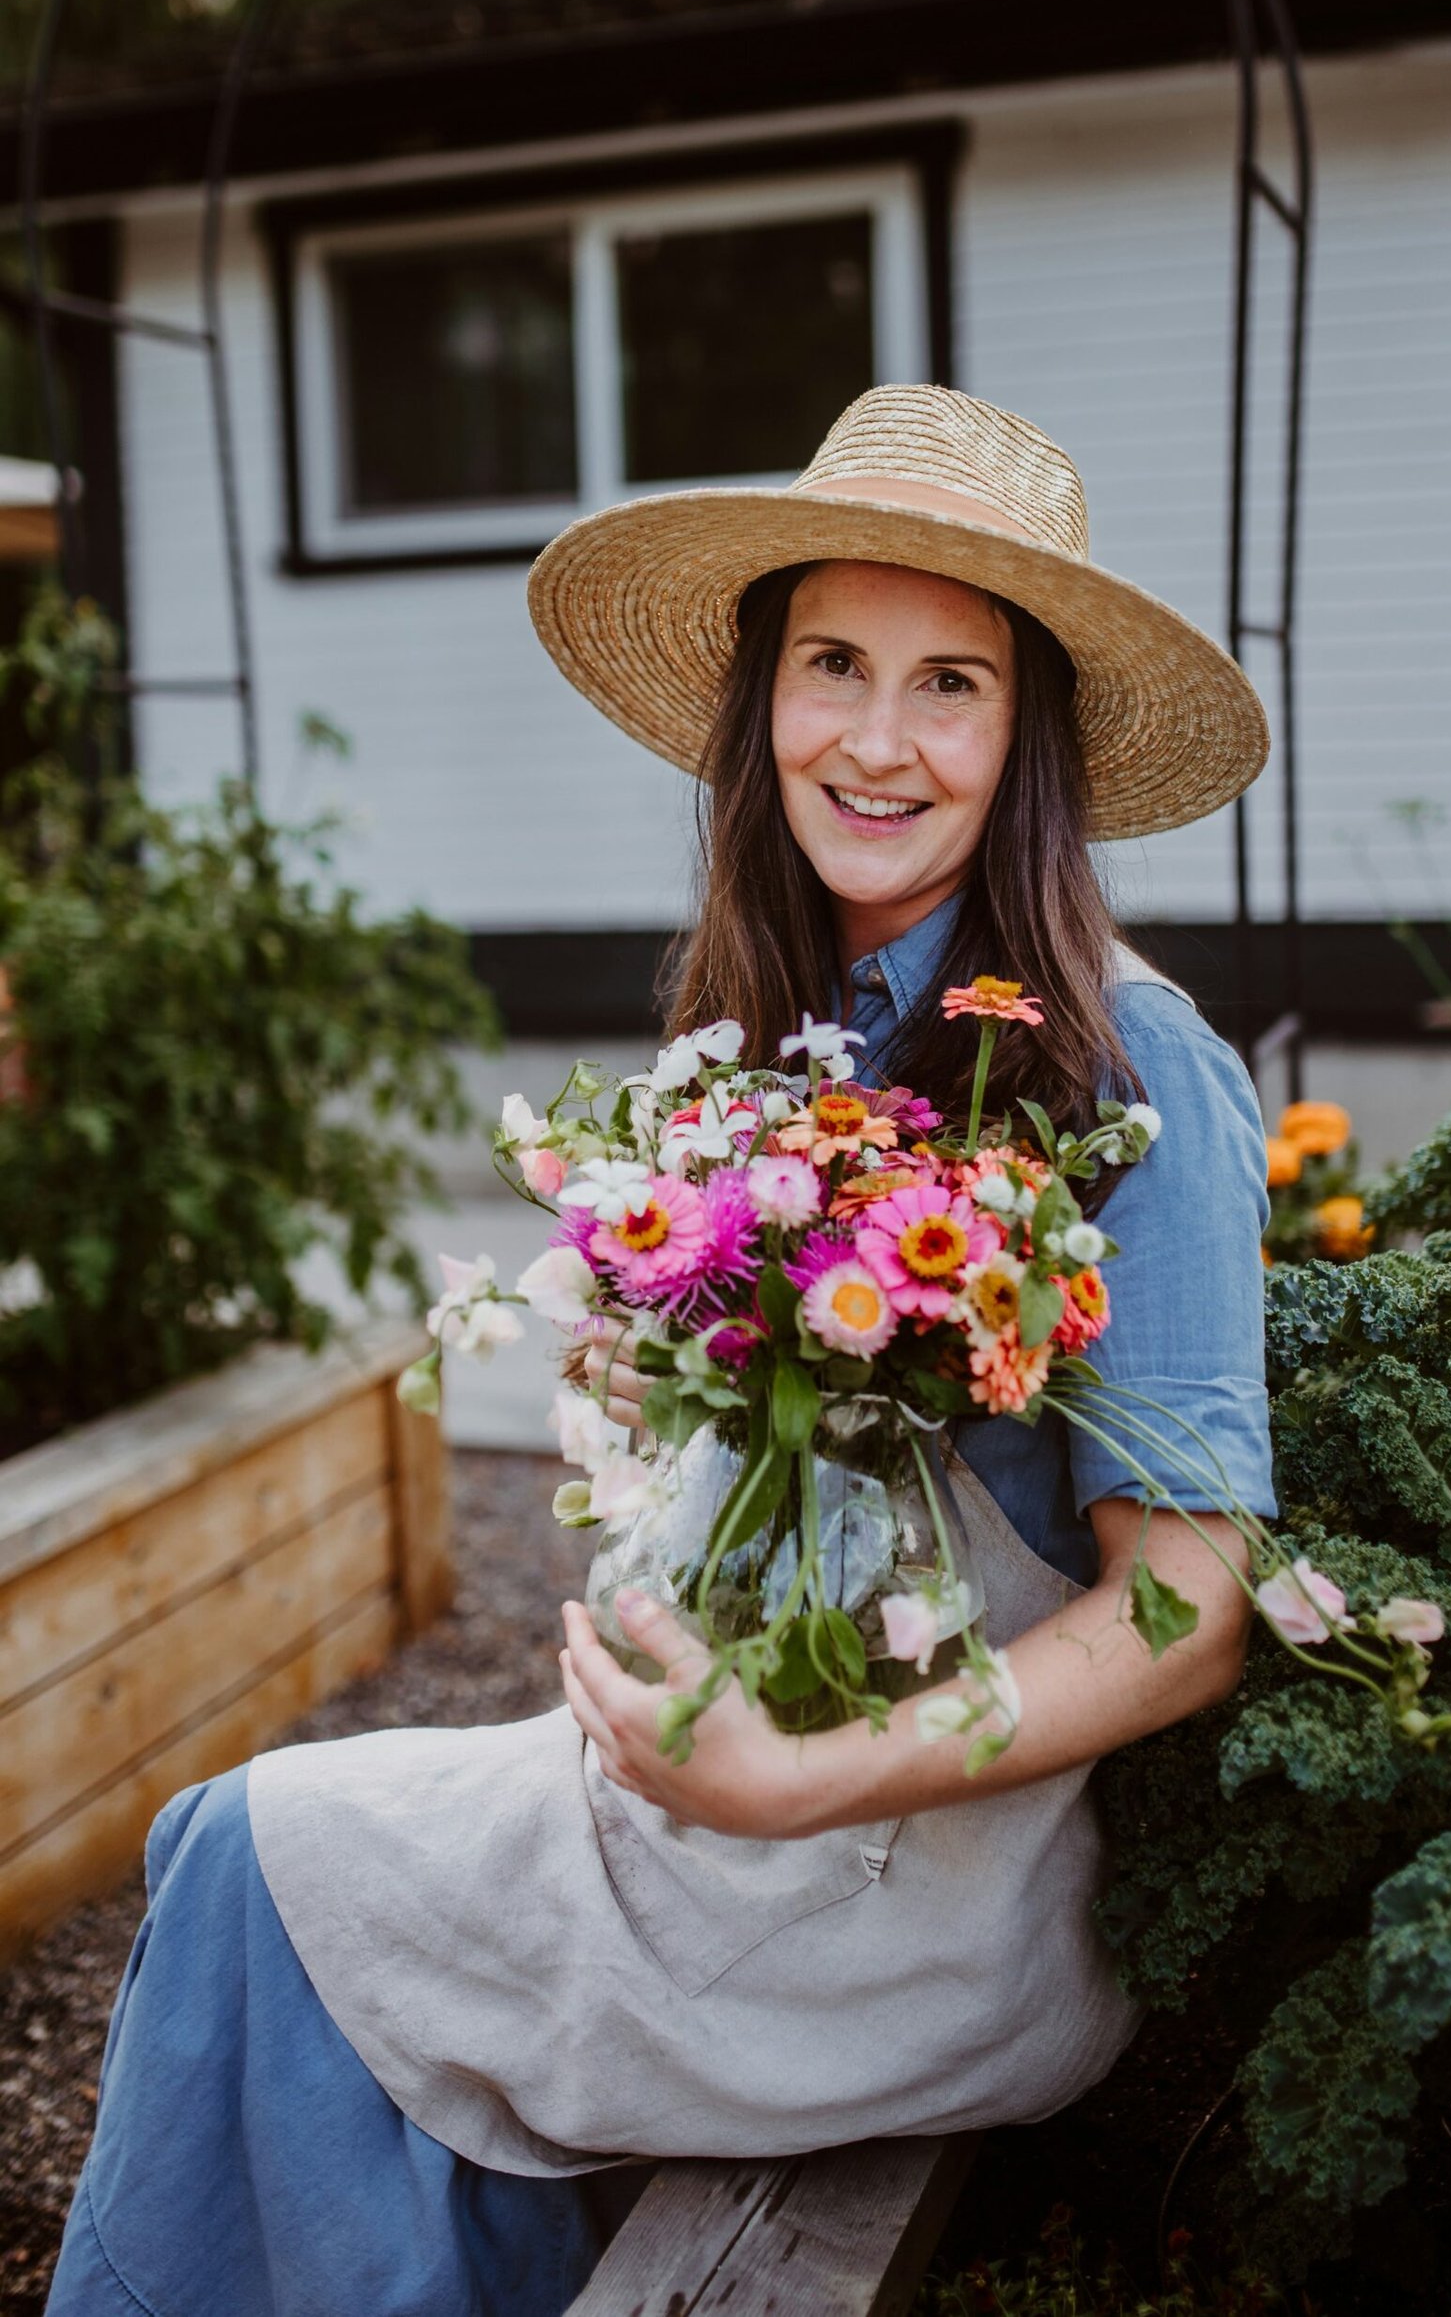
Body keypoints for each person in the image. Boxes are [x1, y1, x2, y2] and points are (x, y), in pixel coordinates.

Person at [47, 385, 1277, 2317]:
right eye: (834, 664)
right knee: (293, 1890)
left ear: (1028, 733)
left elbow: (1198, 1606)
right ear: (756, 703)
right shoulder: (800, 1027)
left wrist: (809, 1777)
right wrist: (674, 1382)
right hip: (739, 1825)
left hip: (902, 1894)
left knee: (245, 1854)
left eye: (951, 684)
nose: (877, 740)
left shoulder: (1126, 1072)